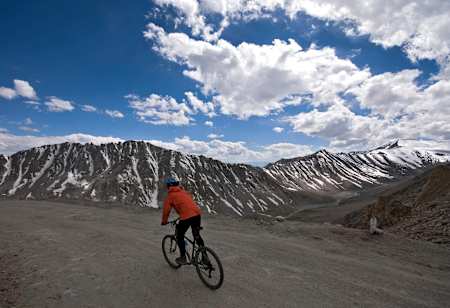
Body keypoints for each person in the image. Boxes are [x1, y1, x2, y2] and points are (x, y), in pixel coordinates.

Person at [161, 177, 205, 265]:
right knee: (196, 235)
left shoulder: (170, 196)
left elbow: (166, 211)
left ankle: (183, 257)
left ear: (169, 186)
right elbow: (187, 204)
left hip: (186, 216)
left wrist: (164, 221)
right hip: (197, 214)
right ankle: (205, 256)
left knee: (180, 236)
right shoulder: (183, 192)